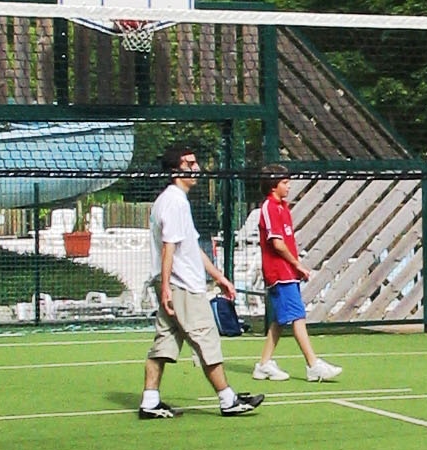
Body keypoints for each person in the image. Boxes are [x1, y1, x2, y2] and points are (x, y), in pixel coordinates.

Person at [140, 146, 263, 419]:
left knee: (164, 345)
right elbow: (168, 247)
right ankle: (228, 399)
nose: (196, 168)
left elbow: (191, 247)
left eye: (195, 163)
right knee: (207, 341)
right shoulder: (173, 201)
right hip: (182, 288)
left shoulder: (176, 201)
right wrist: (166, 289)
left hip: (176, 286)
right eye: (189, 163)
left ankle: (149, 402)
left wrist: (219, 278)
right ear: (175, 169)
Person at [251, 164, 343, 382]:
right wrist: (297, 265)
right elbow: (277, 243)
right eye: (284, 182)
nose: (289, 185)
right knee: (297, 315)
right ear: (273, 186)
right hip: (279, 272)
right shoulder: (269, 207)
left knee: (280, 319)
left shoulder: (284, 207)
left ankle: (263, 364)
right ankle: (313, 365)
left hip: (288, 271)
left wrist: (295, 266)